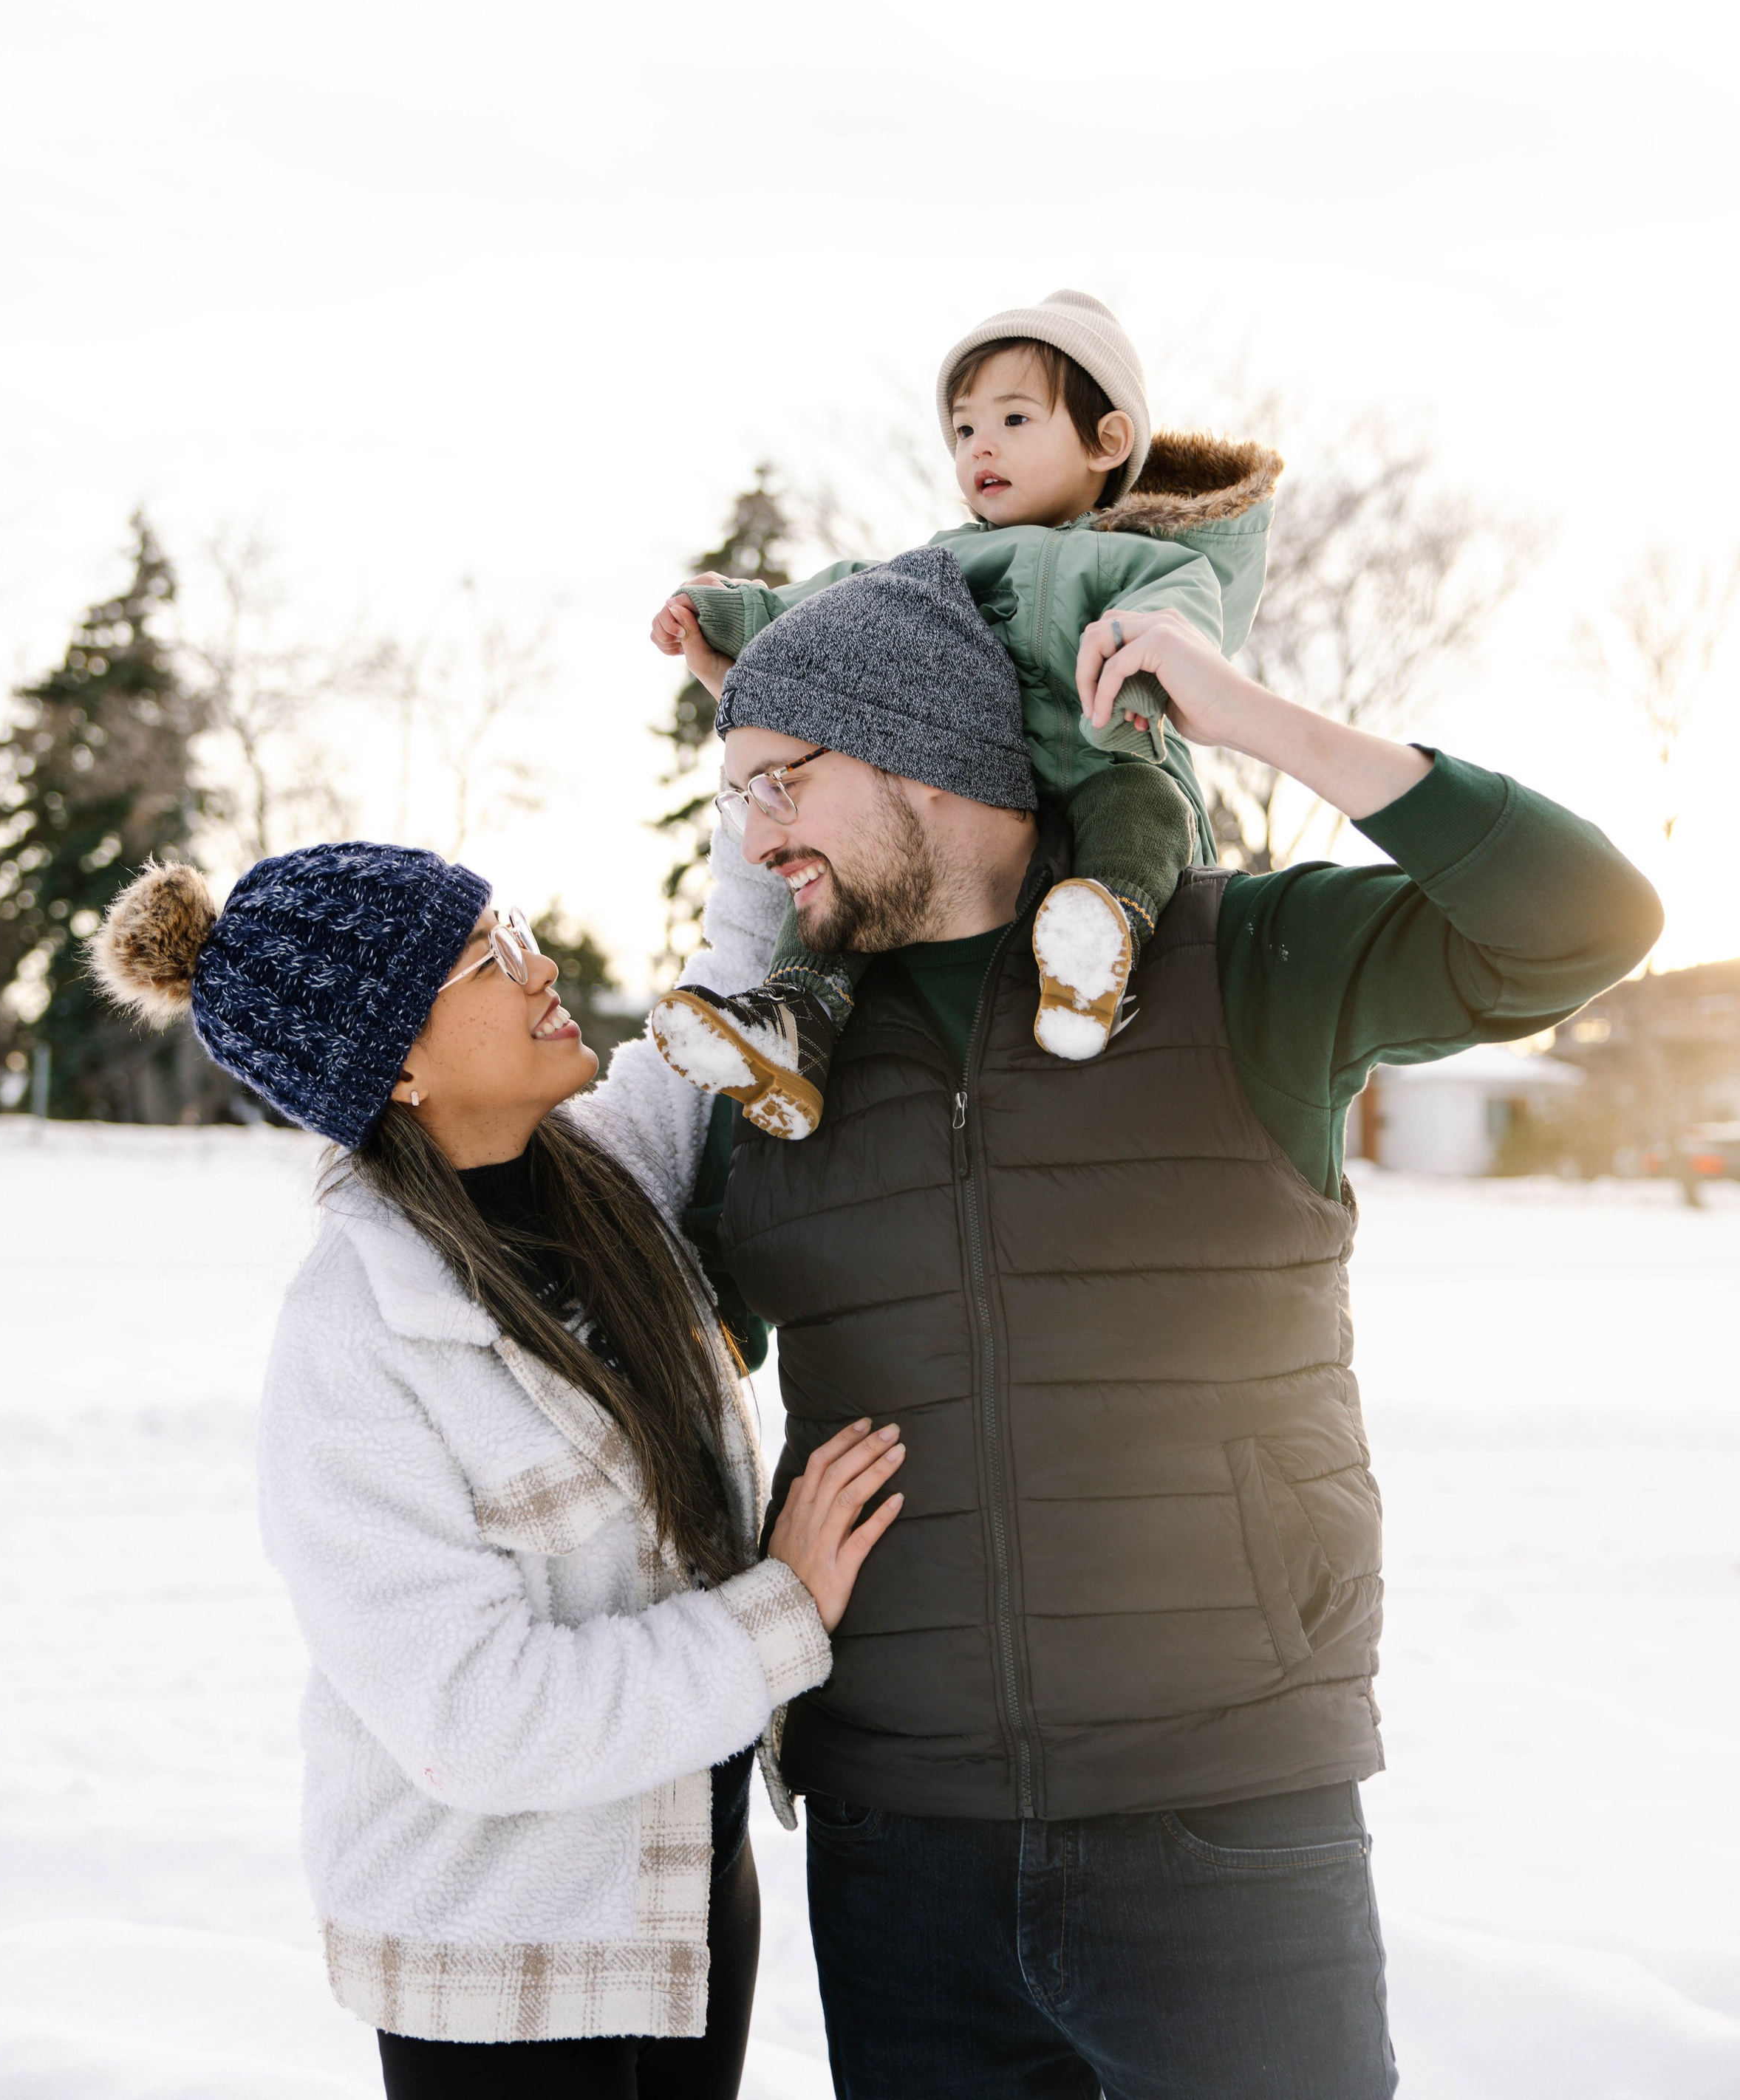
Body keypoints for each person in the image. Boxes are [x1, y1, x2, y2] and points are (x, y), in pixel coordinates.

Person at [673, 571, 1663, 2099]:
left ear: (920, 750)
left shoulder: (1239, 962)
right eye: (734, 795)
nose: (752, 835)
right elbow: (634, 1363)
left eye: (780, 783)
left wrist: (1252, 719)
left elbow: (1586, 920)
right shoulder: (778, 1071)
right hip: (898, 1851)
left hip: (1225, 1820)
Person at [87, 837, 896, 2099]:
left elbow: (737, 957)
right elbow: (479, 1720)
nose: (542, 966)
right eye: (489, 954)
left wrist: (750, 739)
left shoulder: (613, 1170)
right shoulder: (355, 1345)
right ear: (394, 1058)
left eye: (516, 927)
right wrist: (778, 1612)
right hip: (502, 1967)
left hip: (686, 1888)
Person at [648, 287, 1281, 1138]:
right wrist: (731, 615)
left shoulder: (1143, 560)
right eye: (962, 430)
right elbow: (832, 605)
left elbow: (1180, 628)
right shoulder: (944, 560)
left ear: (1108, 441)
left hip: (1103, 757)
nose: (980, 445)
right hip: (976, 794)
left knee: (1146, 803)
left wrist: (1139, 679)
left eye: (1014, 420)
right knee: (853, 857)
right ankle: (794, 1020)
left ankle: (1100, 937)